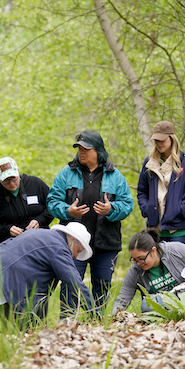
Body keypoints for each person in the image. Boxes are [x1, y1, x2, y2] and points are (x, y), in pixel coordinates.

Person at [47, 130, 133, 314]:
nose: (81, 152)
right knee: (70, 284)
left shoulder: (116, 176)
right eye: (78, 148)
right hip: (73, 244)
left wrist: (112, 210)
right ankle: (67, 324)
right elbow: (52, 202)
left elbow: (128, 205)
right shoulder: (66, 174)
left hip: (106, 243)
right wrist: (67, 211)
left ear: (98, 150)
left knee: (102, 286)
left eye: (86, 148)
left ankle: (98, 325)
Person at [0, 222, 95, 324]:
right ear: (73, 238)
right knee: (18, 332)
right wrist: (96, 314)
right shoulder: (59, 247)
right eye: (78, 251)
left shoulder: (45, 235)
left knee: (17, 332)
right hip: (4, 280)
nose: (75, 256)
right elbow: (75, 283)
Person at [112, 229, 185, 314]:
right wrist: (114, 316)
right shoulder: (135, 269)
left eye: (141, 258)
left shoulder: (177, 250)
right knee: (146, 304)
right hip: (164, 302)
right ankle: (174, 316)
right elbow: (123, 297)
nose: (138, 263)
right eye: (134, 259)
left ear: (153, 251)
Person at [137, 121, 185, 245]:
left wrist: (178, 210)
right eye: (156, 140)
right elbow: (142, 191)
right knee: (156, 264)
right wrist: (147, 209)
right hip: (154, 230)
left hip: (180, 230)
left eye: (162, 140)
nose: (159, 143)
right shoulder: (149, 163)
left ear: (172, 139)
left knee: (176, 264)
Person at [0, 157, 53, 244]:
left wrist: (39, 220)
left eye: (14, 178)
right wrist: (7, 229)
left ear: (18, 172)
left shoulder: (35, 184)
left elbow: (53, 206)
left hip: (41, 240)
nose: (11, 184)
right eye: (6, 181)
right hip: (12, 246)